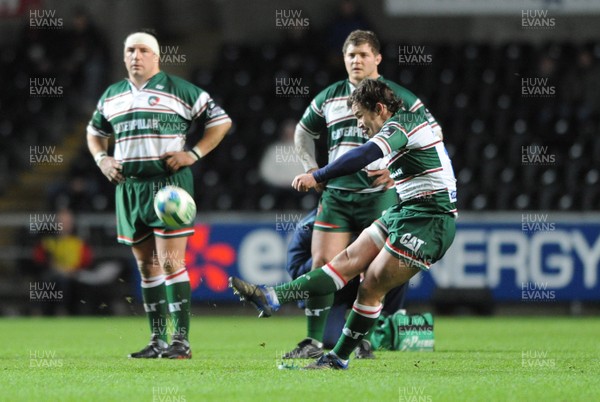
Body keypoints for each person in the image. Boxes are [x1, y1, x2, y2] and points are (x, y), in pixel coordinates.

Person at [230, 78, 457, 369]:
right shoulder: (397, 127)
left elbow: (363, 155)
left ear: (379, 108)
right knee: (346, 261)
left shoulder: (405, 123)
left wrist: (319, 174)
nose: (360, 126)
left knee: (371, 283)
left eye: (361, 117)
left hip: (431, 219)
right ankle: (272, 296)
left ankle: (337, 357)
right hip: (406, 211)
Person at [286, 29, 441, 359]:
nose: (356, 61)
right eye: (350, 55)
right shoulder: (329, 97)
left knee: (375, 271)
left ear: (377, 58)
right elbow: (303, 131)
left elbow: (432, 132)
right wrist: (311, 166)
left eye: (363, 55)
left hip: (378, 196)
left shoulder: (399, 96)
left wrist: (397, 165)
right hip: (337, 197)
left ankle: (367, 338)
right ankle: (313, 342)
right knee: (322, 263)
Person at [86, 31, 231, 359]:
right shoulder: (112, 95)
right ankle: (157, 339)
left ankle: (181, 340)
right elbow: (94, 134)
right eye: (130, 51)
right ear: (124, 57)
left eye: (143, 50)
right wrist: (102, 159)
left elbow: (221, 121)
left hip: (168, 186)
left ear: (157, 56)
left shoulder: (180, 89)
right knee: (147, 268)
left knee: (170, 262)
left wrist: (193, 155)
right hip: (129, 187)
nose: (136, 55)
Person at [285, 208, 408, 359]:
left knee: (391, 267)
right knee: (333, 340)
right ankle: (316, 339)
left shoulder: (379, 222)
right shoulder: (310, 226)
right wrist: (338, 258)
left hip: (362, 286)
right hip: (330, 294)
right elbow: (295, 269)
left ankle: (384, 323)